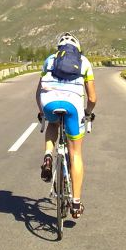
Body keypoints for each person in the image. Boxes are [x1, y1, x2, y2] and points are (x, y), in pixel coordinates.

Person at [36, 32, 97, 218]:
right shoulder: (84, 62)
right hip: (73, 106)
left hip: (49, 103)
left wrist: (42, 112)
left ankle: (48, 156)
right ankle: (76, 204)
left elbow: (38, 92)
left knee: (52, 124)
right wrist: (87, 114)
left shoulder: (49, 60)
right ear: (77, 49)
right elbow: (93, 98)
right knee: (76, 153)